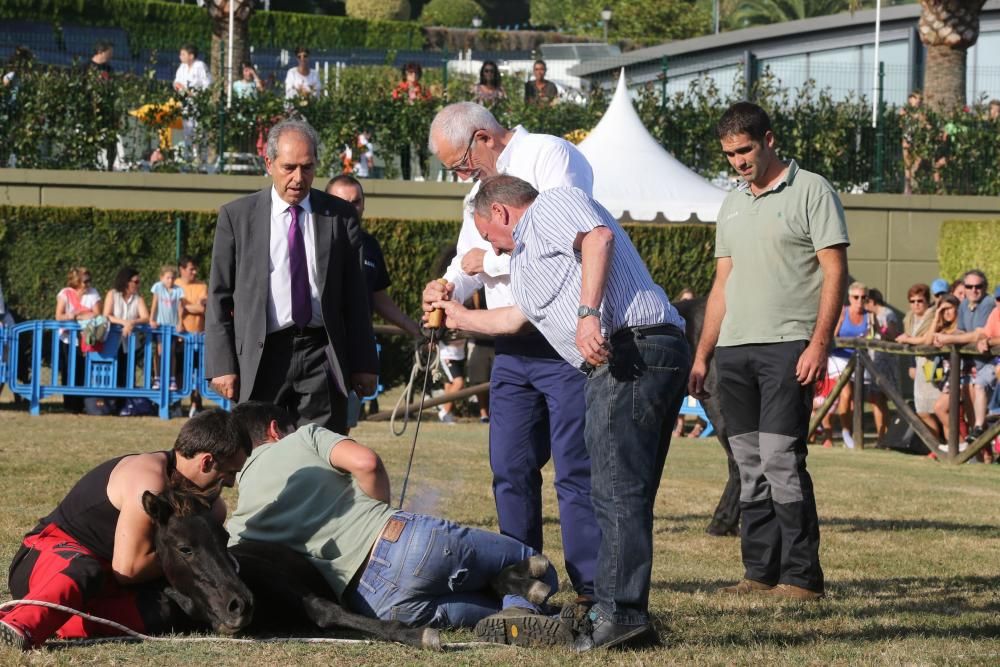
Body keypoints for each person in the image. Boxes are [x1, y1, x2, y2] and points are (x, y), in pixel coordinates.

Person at [434, 176, 690, 650]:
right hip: (641, 349)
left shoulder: (550, 206)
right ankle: (621, 612)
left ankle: (619, 616)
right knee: (626, 492)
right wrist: (458, 316)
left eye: (486, 233)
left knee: (613, 491)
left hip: (632, 345)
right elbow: (512, 319)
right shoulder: (529, 262)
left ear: (503, 213)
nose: (488, 245)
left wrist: (588, 312)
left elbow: (599, 237)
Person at [421, 102, 600, 621]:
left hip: (564, 339)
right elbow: (467, 259)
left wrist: (491, 259)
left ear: (482, 138)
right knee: (509, 467)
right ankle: (524, 584)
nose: (459, 175)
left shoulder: (551, 155)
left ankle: (590, 590)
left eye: (458, 163)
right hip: (510, 345)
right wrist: (450, 284)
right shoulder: (477, 190)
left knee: (575, 470)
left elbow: (570, 239)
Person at [227, 401, 569, 645]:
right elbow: (366, 463)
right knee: (538, 568)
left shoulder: (242, 523)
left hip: (372, 603)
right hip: (399, 542)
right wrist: (378, 515)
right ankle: (520, 605)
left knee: (491, 606)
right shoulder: (300, 438)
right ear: (275, 430)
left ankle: (511, 609)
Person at [689, 102, 849, 602]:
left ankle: (802, 578)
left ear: (769, 140)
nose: (738, 161)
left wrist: (819, 343)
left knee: (781, 458)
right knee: (749, 462)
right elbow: (721, 286)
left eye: (745, 149)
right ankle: (758, 574)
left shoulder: (812, 190)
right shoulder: (733, 203)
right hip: (732, 352)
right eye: (730, 154)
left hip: (788, 347)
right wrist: (702, 355)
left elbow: (835, 272)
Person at [0, 409, 251, 651]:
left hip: (106, 580)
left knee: (167, 610)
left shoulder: (212, 507)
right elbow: (129, 569)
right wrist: (189, 554)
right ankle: (20, 624)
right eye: (229, 472)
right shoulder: (148, 478)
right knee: (86, 570)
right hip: (52, 559)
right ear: (207, 461)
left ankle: (60, 621)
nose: (230, 483)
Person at [205, 119, 378, 435]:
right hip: (262, 356)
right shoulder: (236, 217)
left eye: (307, 168)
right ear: (269, 163)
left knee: (322, 456)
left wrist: (365, 362)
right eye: (289, 168)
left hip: (321, 355)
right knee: (257, 456)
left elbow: (356, 296)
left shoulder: (340, 216)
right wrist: (221, 364)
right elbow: (219, 295)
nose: (299, 178)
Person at [325, 174, 420, 425]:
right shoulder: (310, 241)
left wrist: (415, 330)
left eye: (356, 202)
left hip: (355, 351)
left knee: (342, 428)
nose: (350, 208)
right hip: (319, 351)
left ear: (363, 205)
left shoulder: (369, 246)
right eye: (342, 201)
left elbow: (378, 298)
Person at [933, 270, 996, 446]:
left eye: (978, 286)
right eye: (969, 286)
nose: (974, 290)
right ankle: (973, 454)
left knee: (982, 418)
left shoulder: (988, 303)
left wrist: (948, 338)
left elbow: (977, 335)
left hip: (988, 365)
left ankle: (977, 454)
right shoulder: (964, 305)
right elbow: (961, 330)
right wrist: (944, 336)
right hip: (968, 367)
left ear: (985, 288)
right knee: (971, 416)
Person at [895, 283, 940, 439]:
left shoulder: (933, 316)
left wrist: (909, 339)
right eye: (912, 301)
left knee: (934, 409)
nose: (916, 305)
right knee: (922, 410)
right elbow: (911, 344)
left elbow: (928, 339)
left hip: (934, 365)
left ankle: (940, 446)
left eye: (920, 301)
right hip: (918, 364)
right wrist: (911, 364)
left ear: (927, 301)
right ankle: (935, 446)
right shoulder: (909, 318)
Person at [55, 267, 102, 413]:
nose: (88, 284)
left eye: (89, 280)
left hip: (86, 338)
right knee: (68, 370)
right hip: (68, 338)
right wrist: (81, 314)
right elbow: (59, 316)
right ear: (77, 281)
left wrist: (76, 315)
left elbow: (97, 314)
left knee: (83, 370)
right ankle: (69, 405)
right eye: (85, 281)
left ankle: (81, 404)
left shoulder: (93, 293)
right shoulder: (65, 293)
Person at [103, 267, 150, 389]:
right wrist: (125, 323)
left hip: (130, 343)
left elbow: (146, 317)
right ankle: (111, 402)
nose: (138, 285)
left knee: (128, 373)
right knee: (113, 372)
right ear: (126, 282)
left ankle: (127, 404)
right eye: (135, 282)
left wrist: (132, 322)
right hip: (112, 342)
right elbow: (107, 315)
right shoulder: (112, 294)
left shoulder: (138, 299)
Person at [863, 288, 898, 443]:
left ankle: (886, 435)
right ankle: (882, 435)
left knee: (884, 398)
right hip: (873, 362)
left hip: (886, 362)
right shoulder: (869, 316)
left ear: (871, 301)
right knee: (876, 399)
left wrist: (878, 327)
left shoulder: (887, 314)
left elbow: (892, 335)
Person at [178, 256, 207, 415]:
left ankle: (196, 403)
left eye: (195, 269)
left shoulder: (201, 285)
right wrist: (191, 307)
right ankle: (176, 403)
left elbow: (203, 308)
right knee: (179, 371)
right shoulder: (175, 284)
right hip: (179, 337)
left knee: (197, 373)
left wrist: (184, 307)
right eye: (191, 269)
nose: (194, 272)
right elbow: (175, 306)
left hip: (197, 337)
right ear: (182, 269)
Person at [149, 264, 185, 392]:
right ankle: (157, 377)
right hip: (161, 325)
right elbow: (155, 303)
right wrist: (151, 319)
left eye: (172, 278)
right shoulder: (158, 287)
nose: (170, 280)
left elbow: (180, 308)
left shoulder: (178, 290)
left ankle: (172, 378)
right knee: (159, 351)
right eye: (167, 278)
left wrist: (180, 323)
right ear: (162, 278)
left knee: (172, 351)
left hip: (172, 326)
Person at [392, 62, 431, 180]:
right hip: (405, 124)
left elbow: (428, 104)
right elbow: (395, 104)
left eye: (415, 72)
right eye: (410, 72)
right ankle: (406, 178)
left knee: (422, 152)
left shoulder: (423, 90)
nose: (413, 75)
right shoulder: (399, 89)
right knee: (405, 152)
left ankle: (425, 177)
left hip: (419, 124)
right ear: (405, 74)